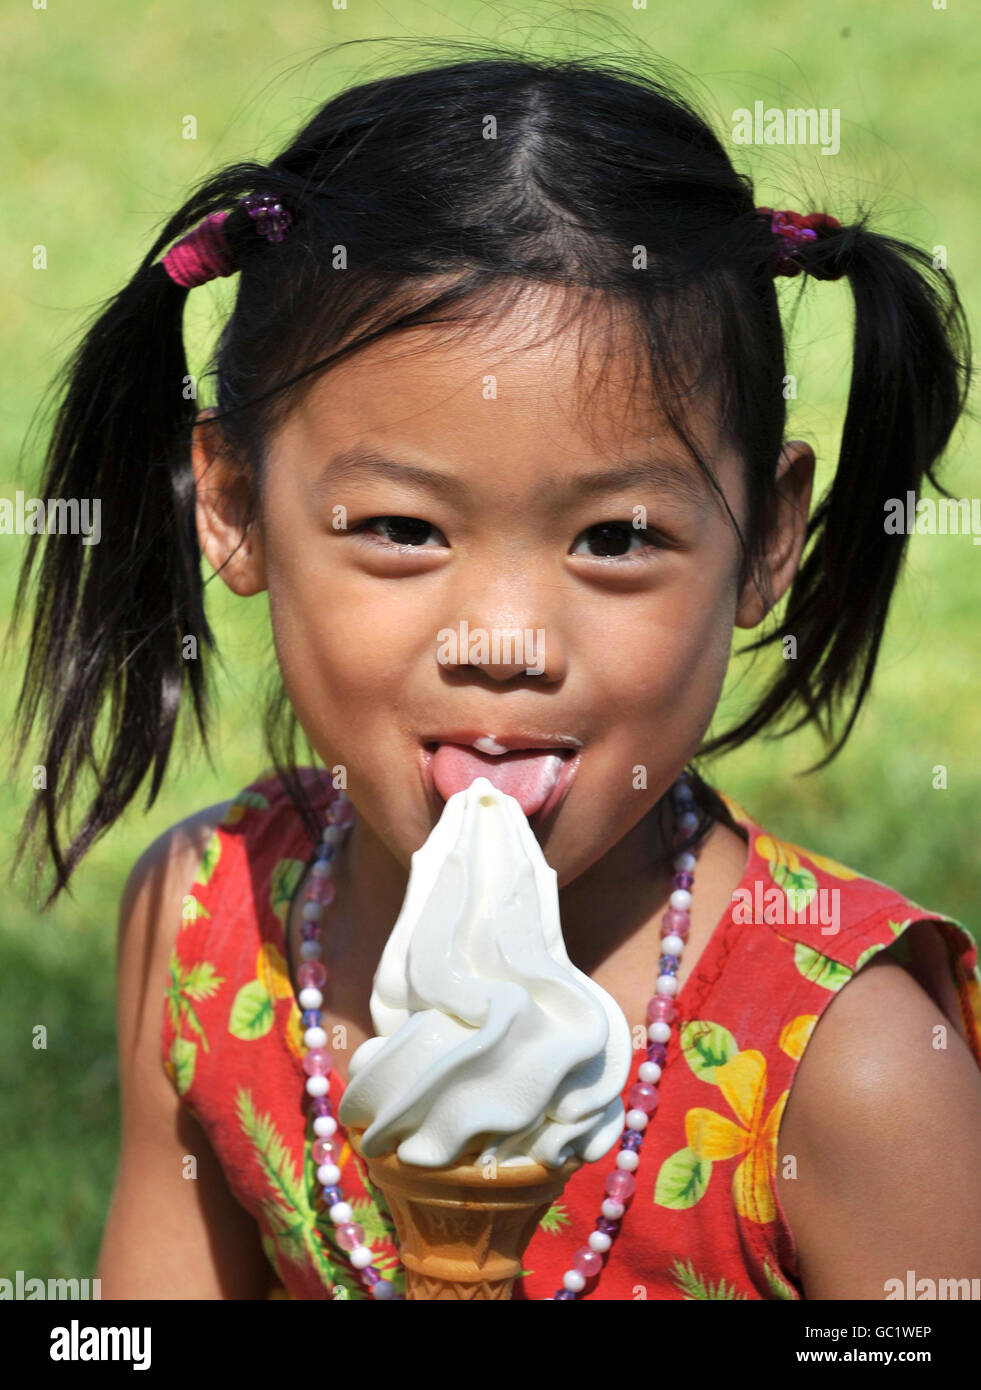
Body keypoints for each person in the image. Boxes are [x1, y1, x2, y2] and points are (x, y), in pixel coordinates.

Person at [11, 46, 981, 1301]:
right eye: (403, 530)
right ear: (237, 506)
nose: (506, 639)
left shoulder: (853, 1065)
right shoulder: (205, 934)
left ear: (768, 538)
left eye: (618, 538)